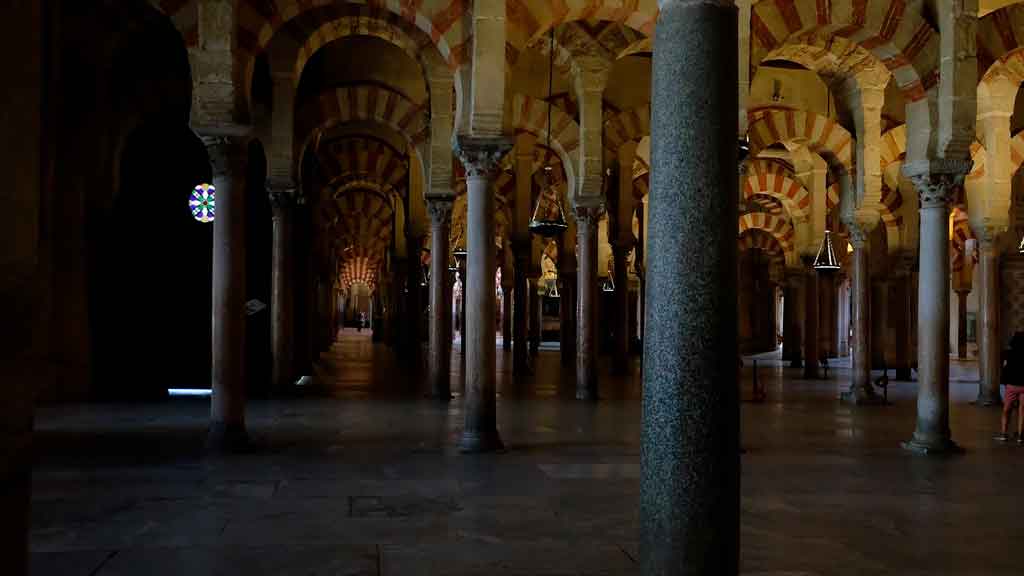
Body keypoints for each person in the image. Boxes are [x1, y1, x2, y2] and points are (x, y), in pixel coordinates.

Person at [996, 332, 1024, 444]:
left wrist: (1004, 382)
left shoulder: (1007, 353)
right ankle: (1020, 436)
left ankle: (1003, 434)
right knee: (1022, 410)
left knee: (1006, 410)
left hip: (1011, 386)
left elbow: (1004, 369)